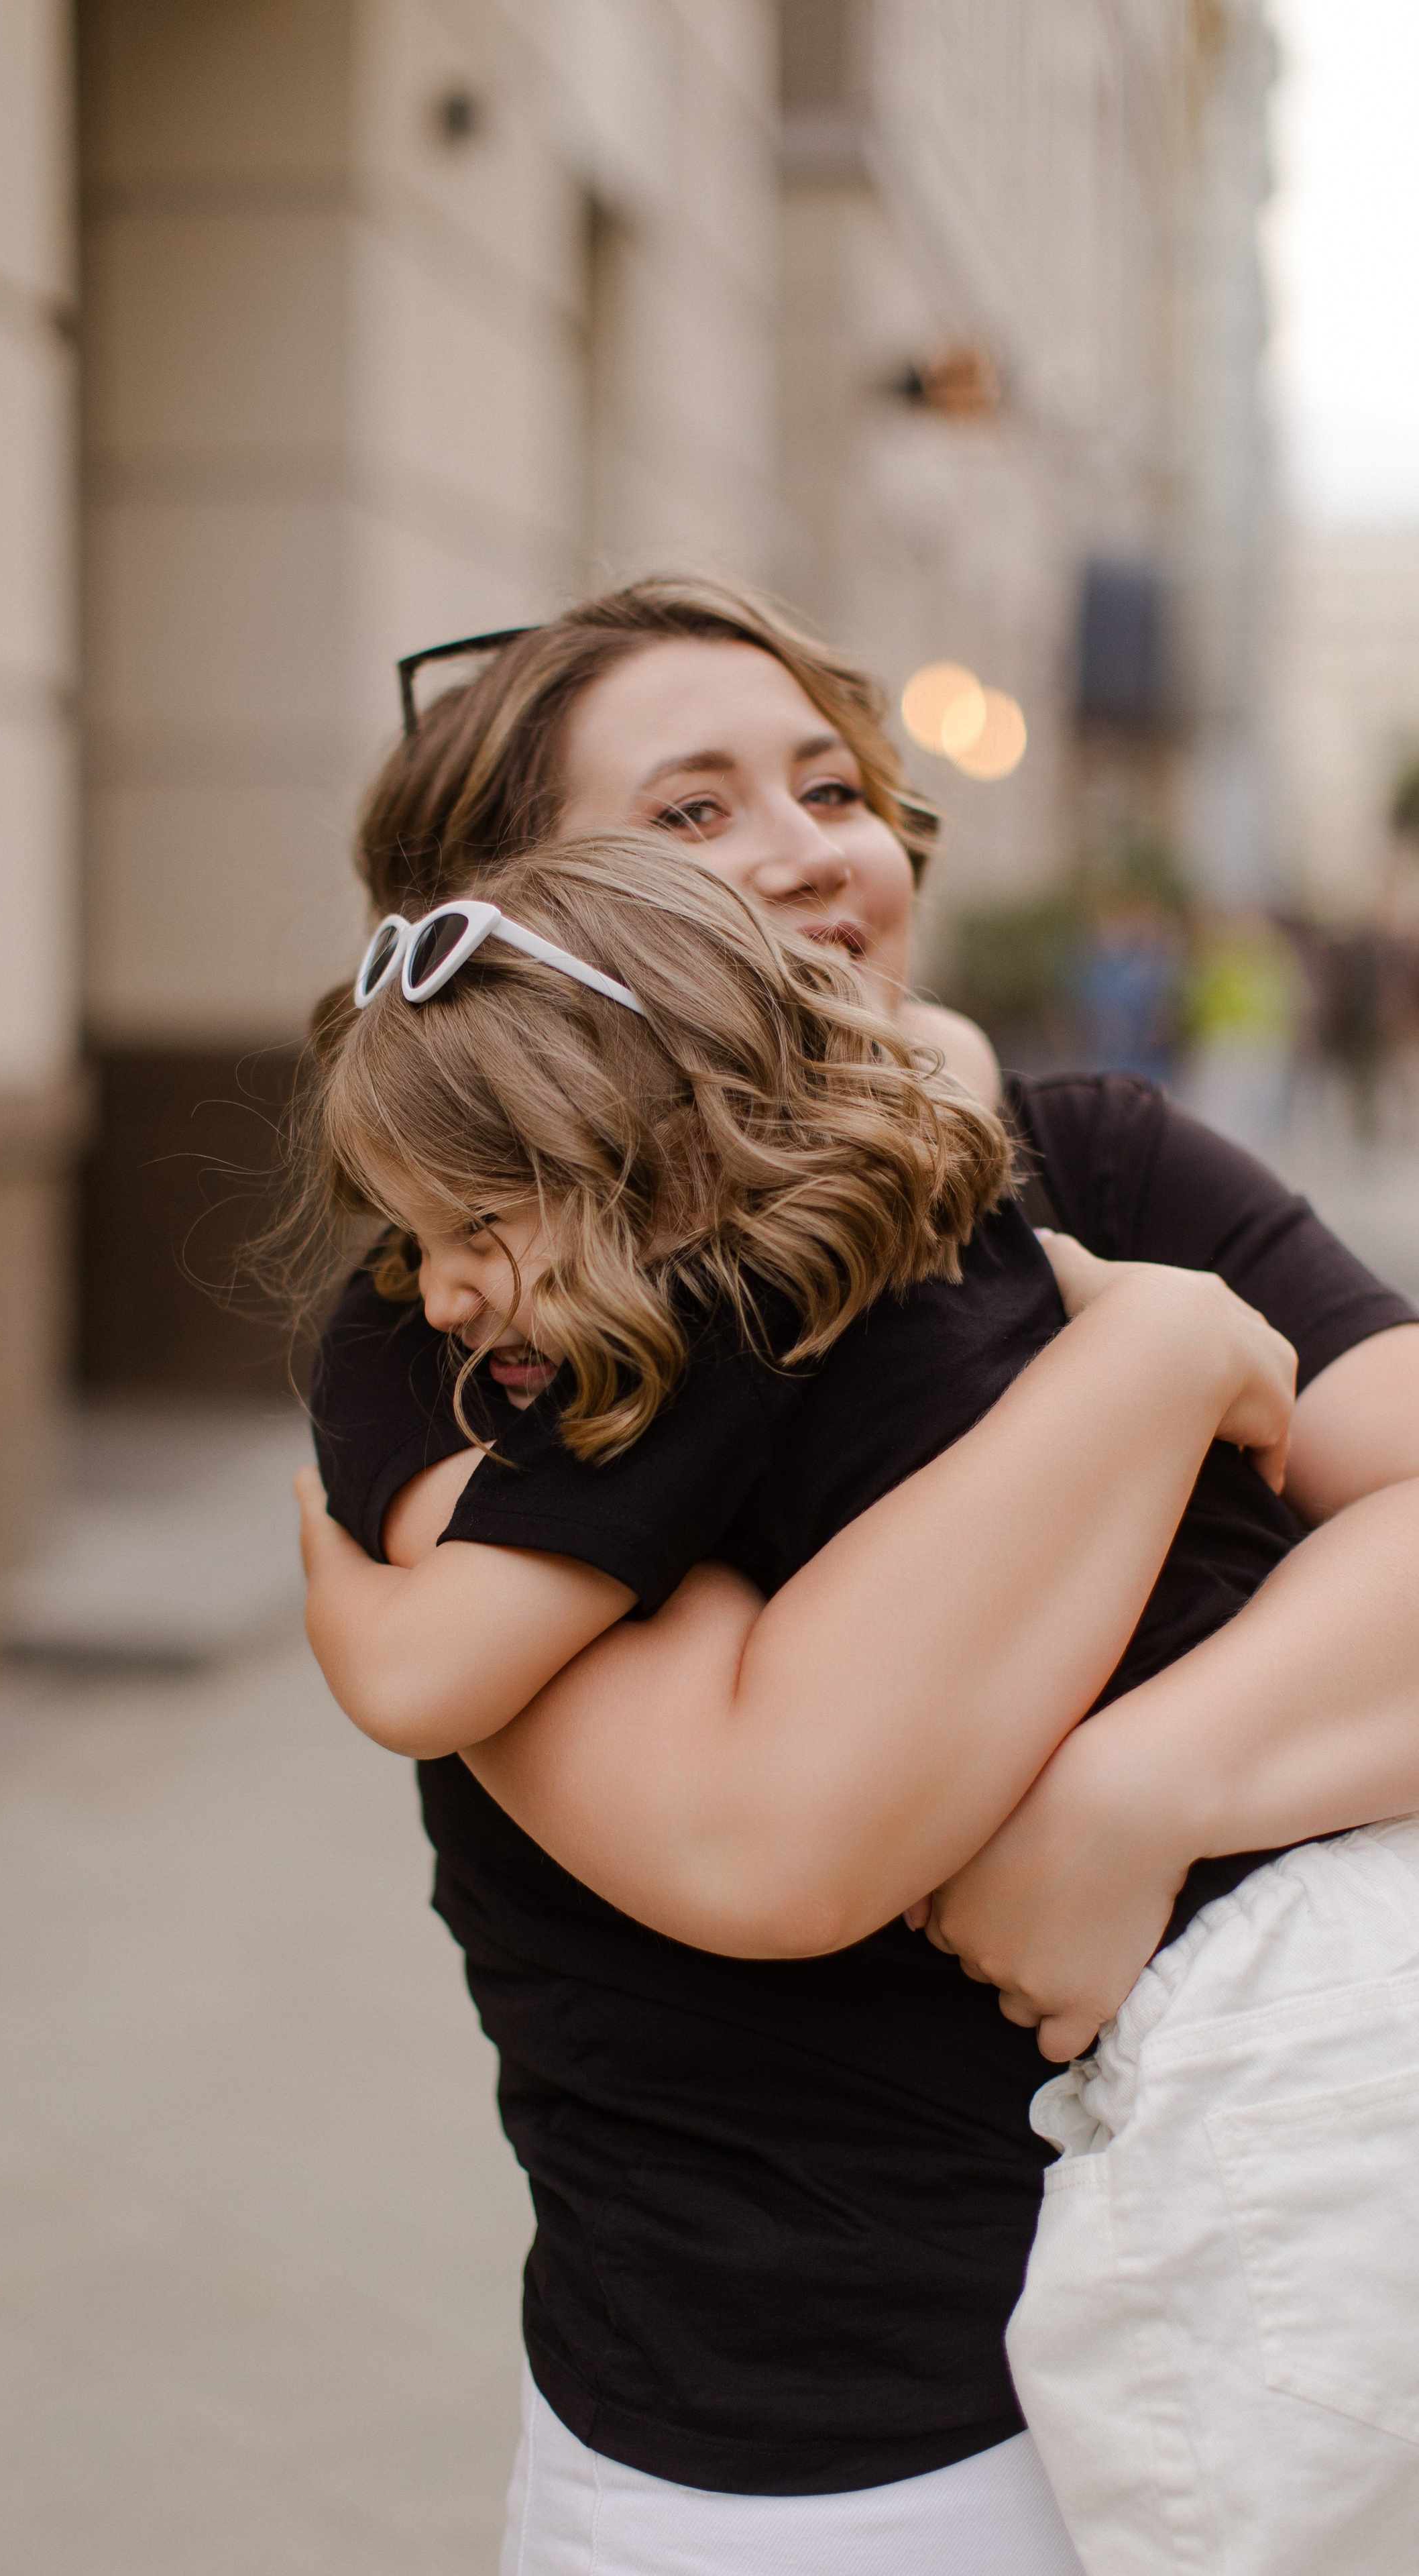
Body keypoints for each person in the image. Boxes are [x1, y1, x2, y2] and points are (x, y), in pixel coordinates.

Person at [292, 580, 1419, 2571]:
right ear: (522, 941)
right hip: (829, 2455)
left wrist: (1136, 1795)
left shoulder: (1101, 1165)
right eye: (698, 812)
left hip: (1298, 2332)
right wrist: (1153, 1362)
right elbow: (766, 1838)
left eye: (832, 787)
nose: (811, 849)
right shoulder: (483, 1316)